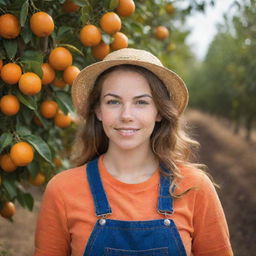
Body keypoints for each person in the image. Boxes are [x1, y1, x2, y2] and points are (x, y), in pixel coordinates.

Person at [34, 48, 233, 256]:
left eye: (141, 102)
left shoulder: (193, 187)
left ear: (158, 111)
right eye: (113, 101)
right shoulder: (62, 191)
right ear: (98, 110)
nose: (126, 115)